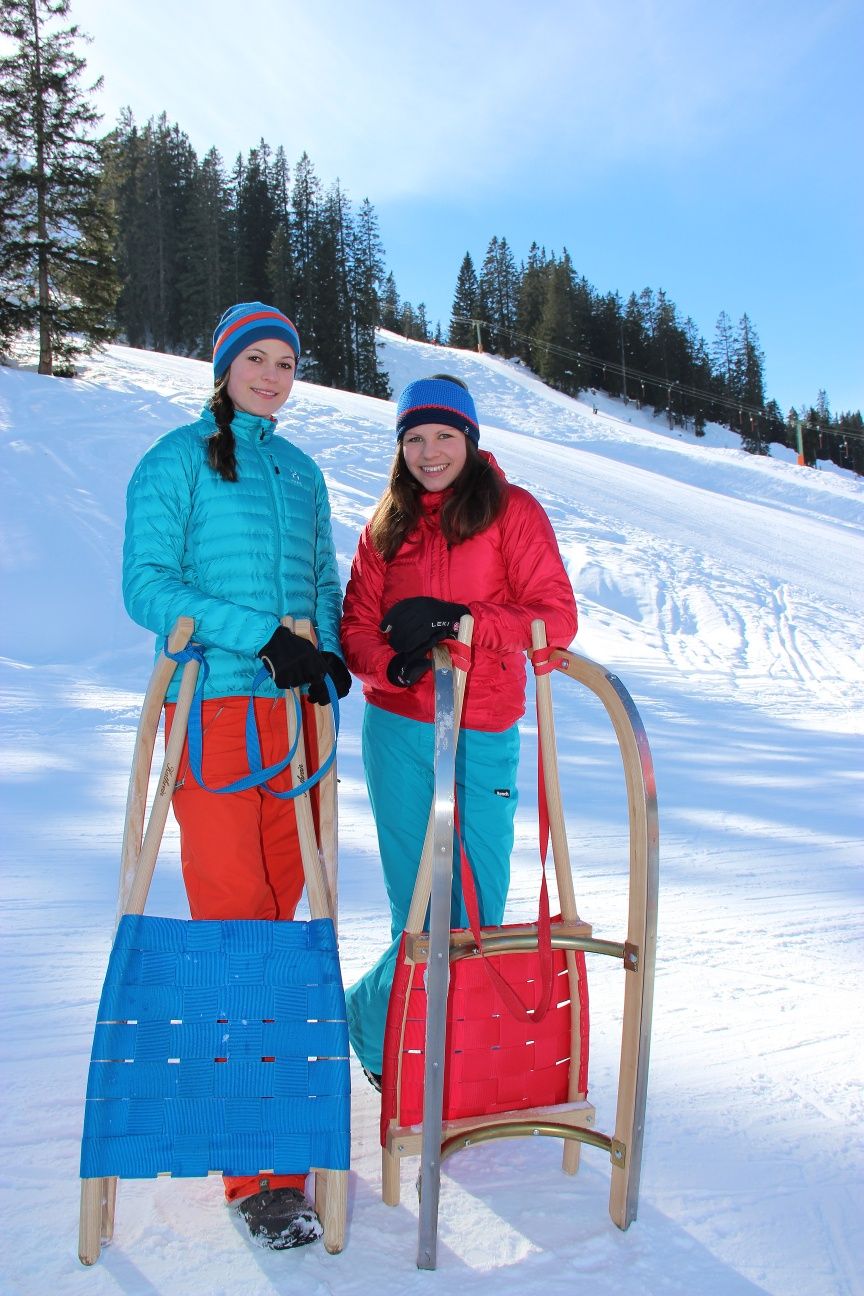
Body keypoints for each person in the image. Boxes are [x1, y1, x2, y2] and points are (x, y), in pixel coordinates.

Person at [122, 302, 351, 1250]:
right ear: (222, 367)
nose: (270, 375)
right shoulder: (176, 458)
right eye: (254, 358)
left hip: (294, 727)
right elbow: (146, 586)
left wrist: (325, 655)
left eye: (286, 362)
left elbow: (325, 587)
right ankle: (258, 1174)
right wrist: (259, 637)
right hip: (214, 712)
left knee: (285, 925)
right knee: (235, 922)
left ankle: (277, 1141)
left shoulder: (300, 474)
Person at [339, 374, 577, 1084]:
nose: (429, 451)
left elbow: (554, 620)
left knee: (476, 902)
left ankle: (367, 1015)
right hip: (401, 729)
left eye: (444, 435)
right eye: (414, 438)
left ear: (470, 440)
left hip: (483, 727)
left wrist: (460, 622)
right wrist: (393, 665)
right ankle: (409, 1056)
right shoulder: (386, 522)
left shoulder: (514, 513)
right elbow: (354, 629)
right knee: (414, 895)